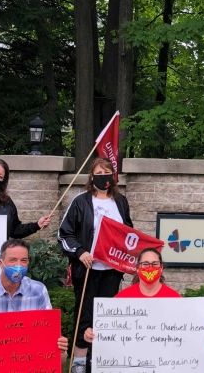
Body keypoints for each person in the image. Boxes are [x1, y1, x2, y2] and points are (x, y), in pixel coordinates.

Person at [58, 158, 132, 373]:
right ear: (92, 177)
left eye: (107, 172)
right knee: (85, 316)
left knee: (107, 317)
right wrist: (80, 252)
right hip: (89, 269)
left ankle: (101, 363)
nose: (103, 176)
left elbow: (128, 231)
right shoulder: (80, 201)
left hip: (112, 270)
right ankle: (79, 363)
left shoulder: (121, 202)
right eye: (99, 172)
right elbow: (65, 234)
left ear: (113, 176)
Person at [83, 248, 204, 346]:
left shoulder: (174, 299)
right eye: (145, 264)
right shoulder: (121, 299)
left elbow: (190, 331)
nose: (150, 267)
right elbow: (107, 332)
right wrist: (91, 334)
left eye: (154, 264)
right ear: (137, 268)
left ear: (161, 268)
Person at [0, 157, 50, 239]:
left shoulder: (6, 202)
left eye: (0, 177)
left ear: (3, 181)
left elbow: (14, 230)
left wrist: (37, 225)